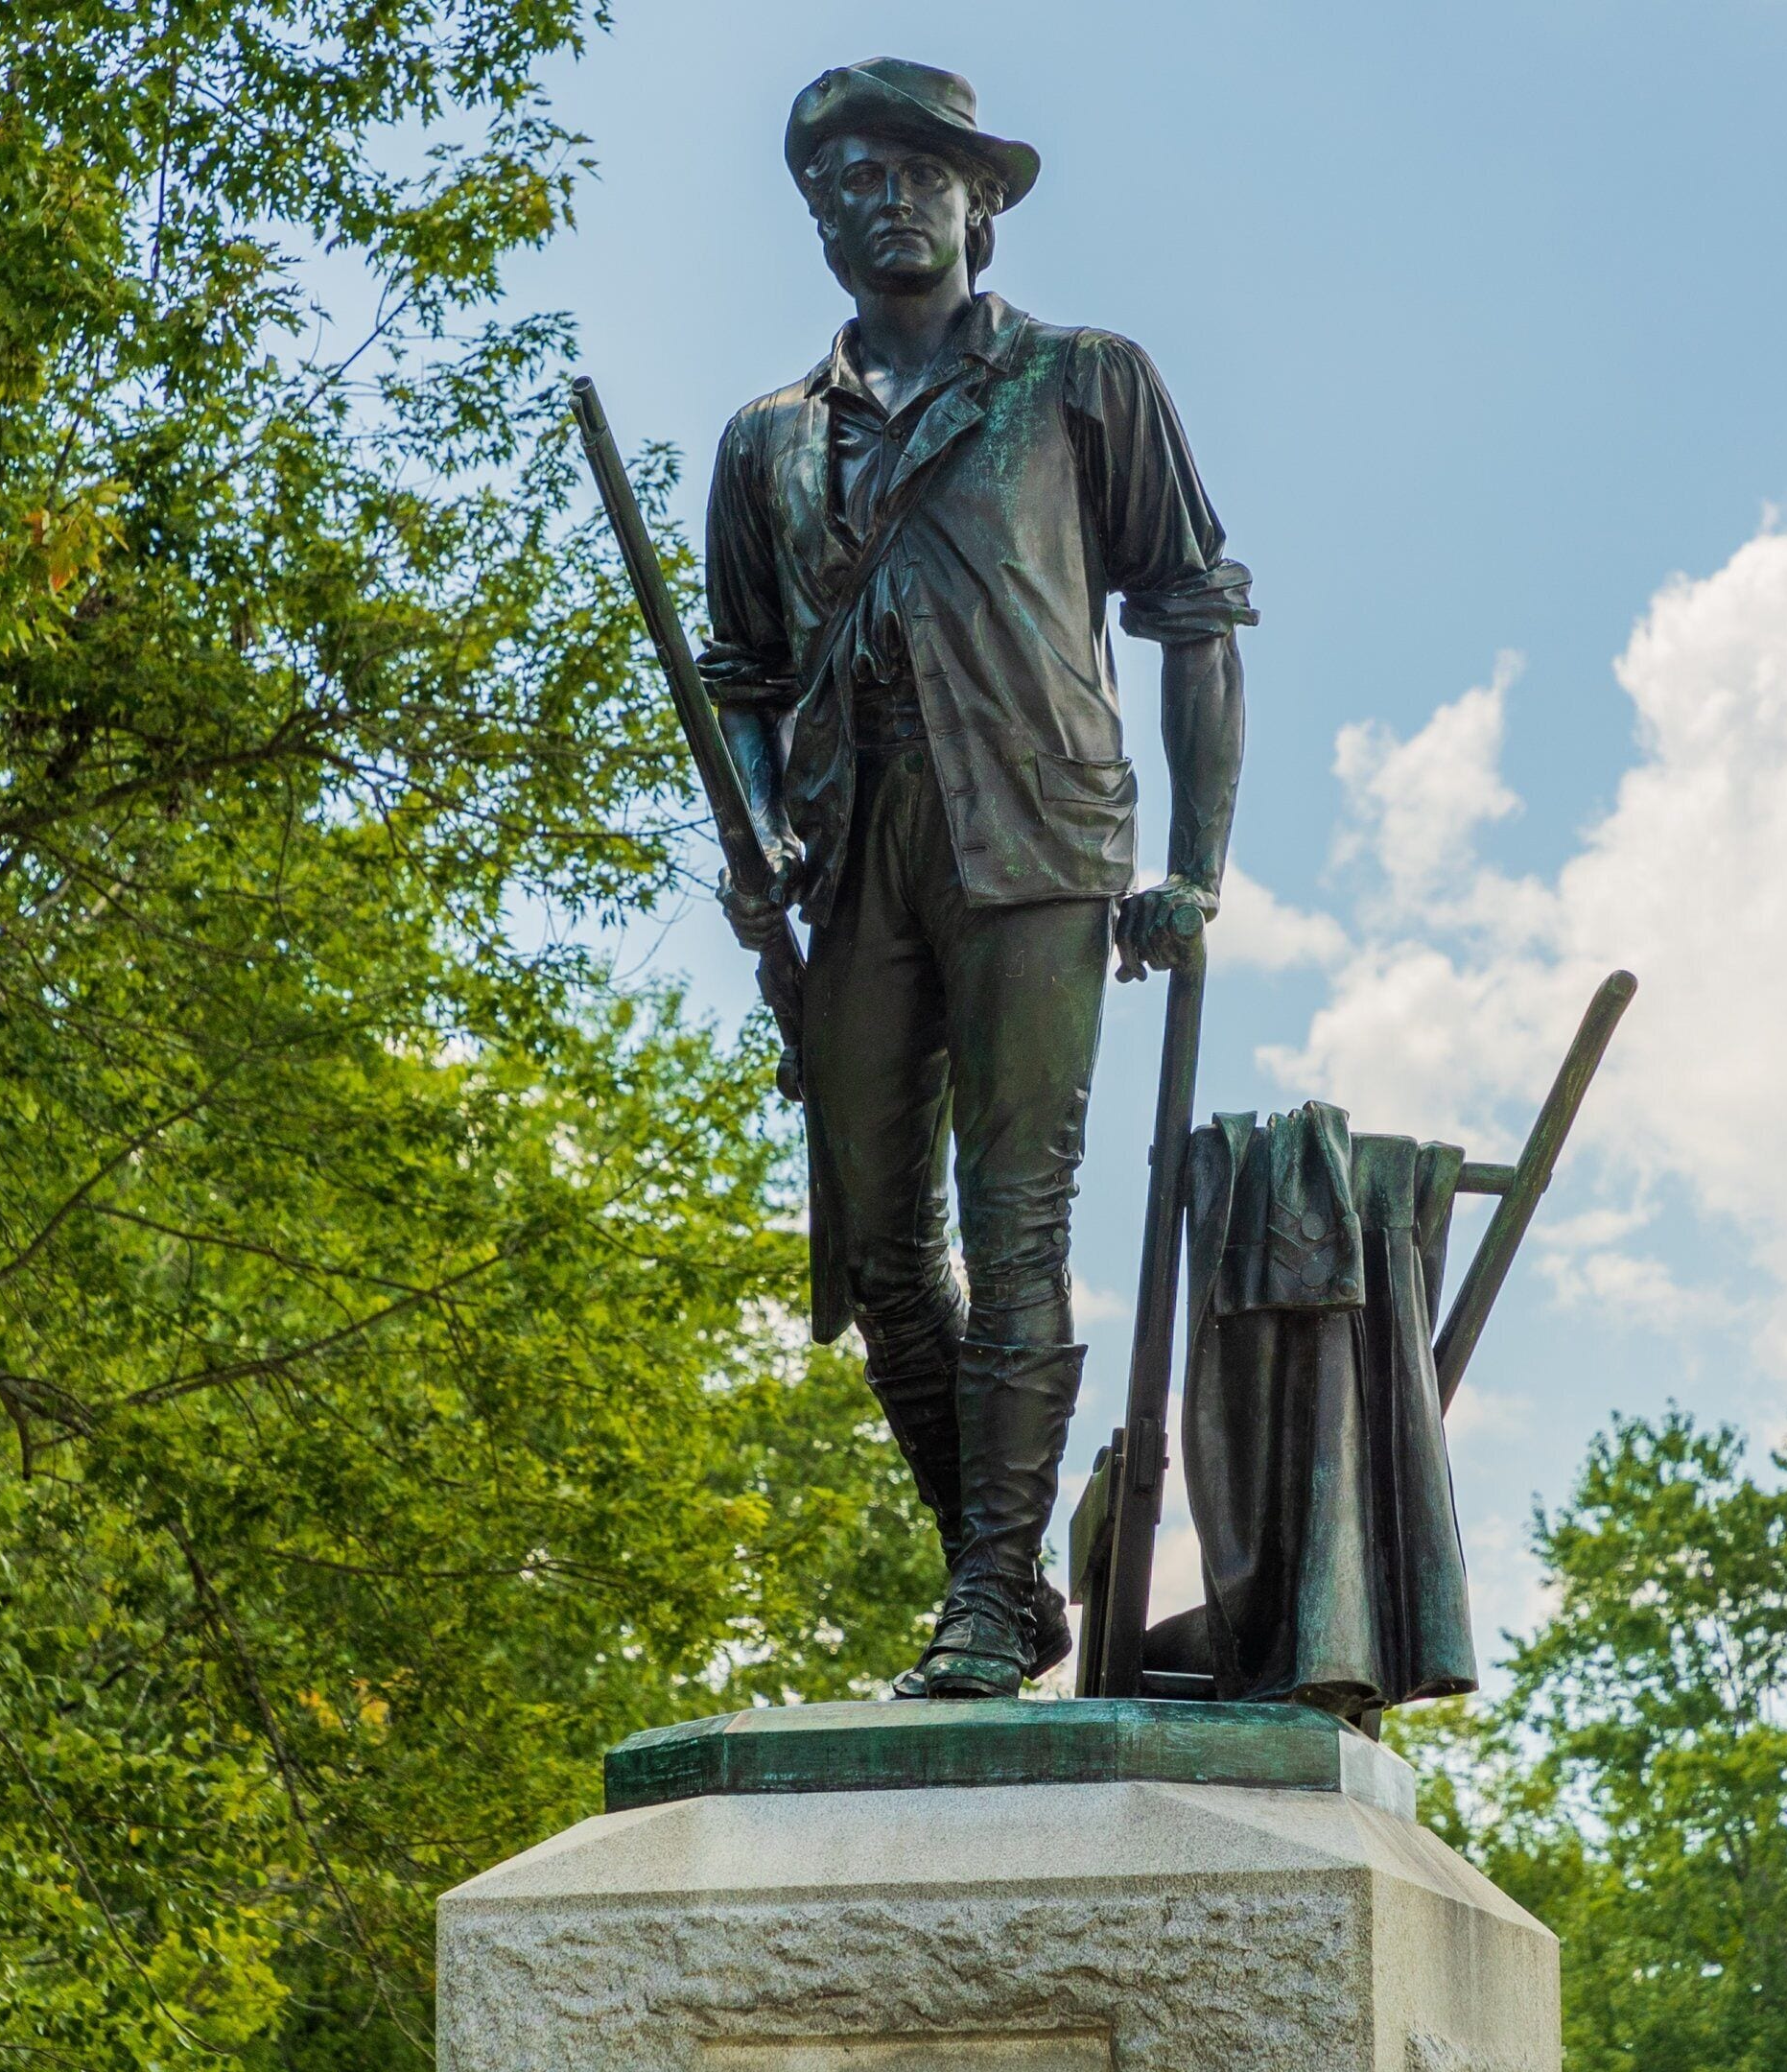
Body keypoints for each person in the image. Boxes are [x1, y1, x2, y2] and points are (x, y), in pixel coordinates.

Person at [700, 58, 1253, 1701]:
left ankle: (989, 1607)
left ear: (979, 204)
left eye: (913, 172)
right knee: (879, 1252)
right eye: (847, 180)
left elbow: (1197, 616)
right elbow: (740, 673)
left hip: (1038, 840)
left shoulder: (1085, 382)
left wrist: (1197, 869)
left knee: (1017, 1227)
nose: (880, 199)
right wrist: (753, 838)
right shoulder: (767, 444)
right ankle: (995, 1571)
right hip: (857, 863)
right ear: (819, 224)